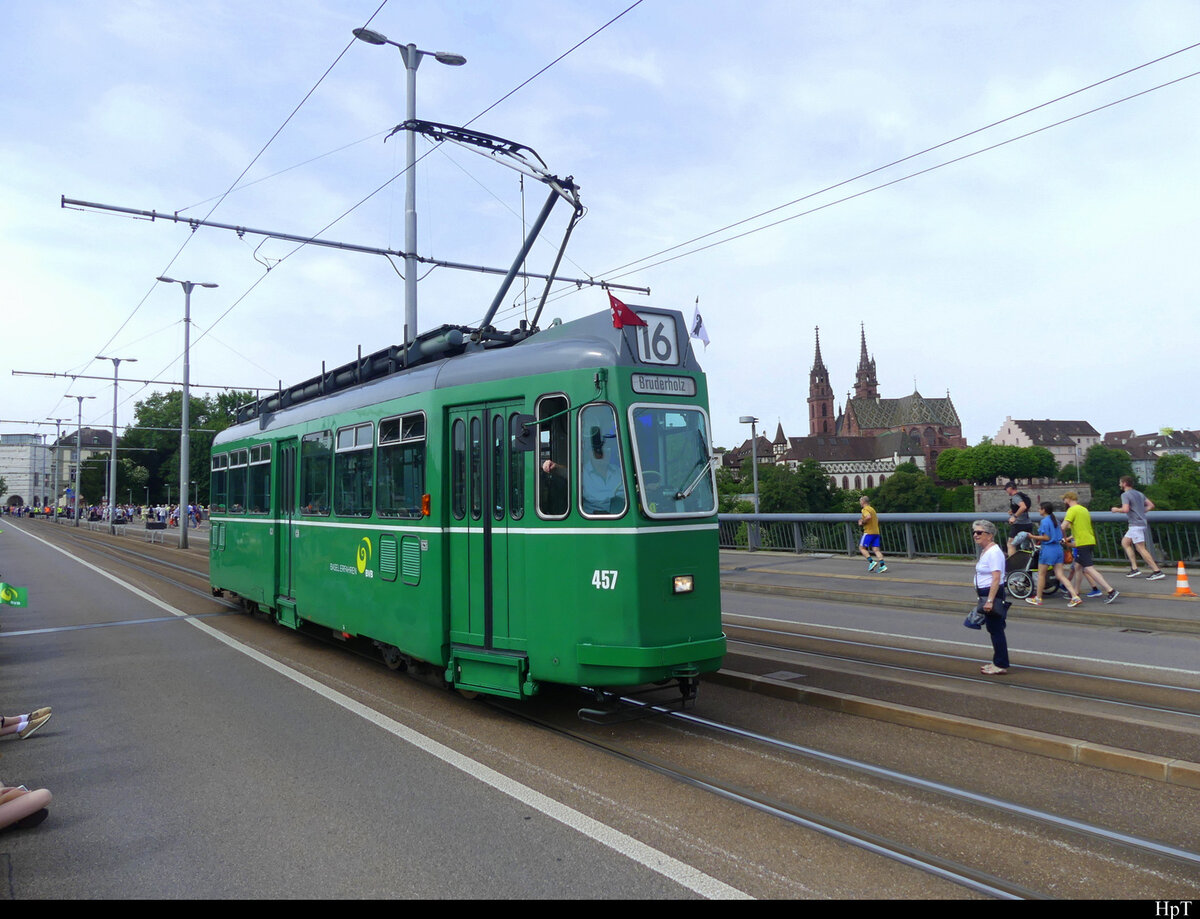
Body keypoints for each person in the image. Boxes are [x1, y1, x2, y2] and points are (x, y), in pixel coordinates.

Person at [1061, 491, 1119, 603]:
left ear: (1068, 499)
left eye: (1064, 499)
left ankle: (1110, 590)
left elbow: (1063, 526)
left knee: (1088, 568)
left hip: (1081, 542)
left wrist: (1064, 539)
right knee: (1078, 567)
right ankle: (1075, 592)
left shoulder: (1071, 510)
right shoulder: (1084, 509)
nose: (1064, 502)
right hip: (1090, 540)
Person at [971, 520, 1011, 675]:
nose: (975, 535)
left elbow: (996, 577)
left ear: (990, 535)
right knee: (994, 628)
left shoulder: (994, 552)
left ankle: (1000, 664)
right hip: (986, 593)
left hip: (991, 594)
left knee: (996, 629)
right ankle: (998, 661)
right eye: (974, 532)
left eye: (979, 532)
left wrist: (989, 600)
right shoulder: (986, 551)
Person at [1025, 502, 1083, 607]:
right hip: (1058, 549)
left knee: (1041, 574)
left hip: (1048, 549)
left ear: (1044, 510)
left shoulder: (1044, 521)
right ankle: (1075, 596)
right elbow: (1062, 533)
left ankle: (1038, 598)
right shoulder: (1056, 520)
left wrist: (1032, 536)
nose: (1038, 510)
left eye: (1039, 508)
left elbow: (1046, 537)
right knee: (1060, 575)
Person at [1112, 476, 1164, 579]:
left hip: (1136, 524)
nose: (1119, 485)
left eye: (1120, 483)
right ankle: (1134, 568)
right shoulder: (1139, 494)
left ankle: (1156, 571)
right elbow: (1151, 505)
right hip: (1140, 523)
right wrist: (1141, 511)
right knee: (1125, 542)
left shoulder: (1125, 495)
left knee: (1140, 548)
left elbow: (1126, 509)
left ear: (1125, 483)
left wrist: (1116, 509)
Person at [857, 495, 887, 572]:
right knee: (876, 549)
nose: (860, 503)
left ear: (863, 502)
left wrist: (862, 522)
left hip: (868, 532)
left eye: (860, 501)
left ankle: (871, 562)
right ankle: (882, 565)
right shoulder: (872, 509)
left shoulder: (865, 509)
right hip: (876, 532)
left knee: (862, 548)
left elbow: (868, 517)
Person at [1004, 483, 1033, 558]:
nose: (1006, 491)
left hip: (1019, 524)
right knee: (1027, 544)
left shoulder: (1015, 497)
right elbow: (1025, 508)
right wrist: (1012, 510)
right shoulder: (1023, 495)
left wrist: (1014, 516)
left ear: (1010, 488)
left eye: (1006, 489)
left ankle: (1013, 565)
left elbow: (1023, 507)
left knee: (1011, 544)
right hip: (1028, 522)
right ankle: (1029, 562)